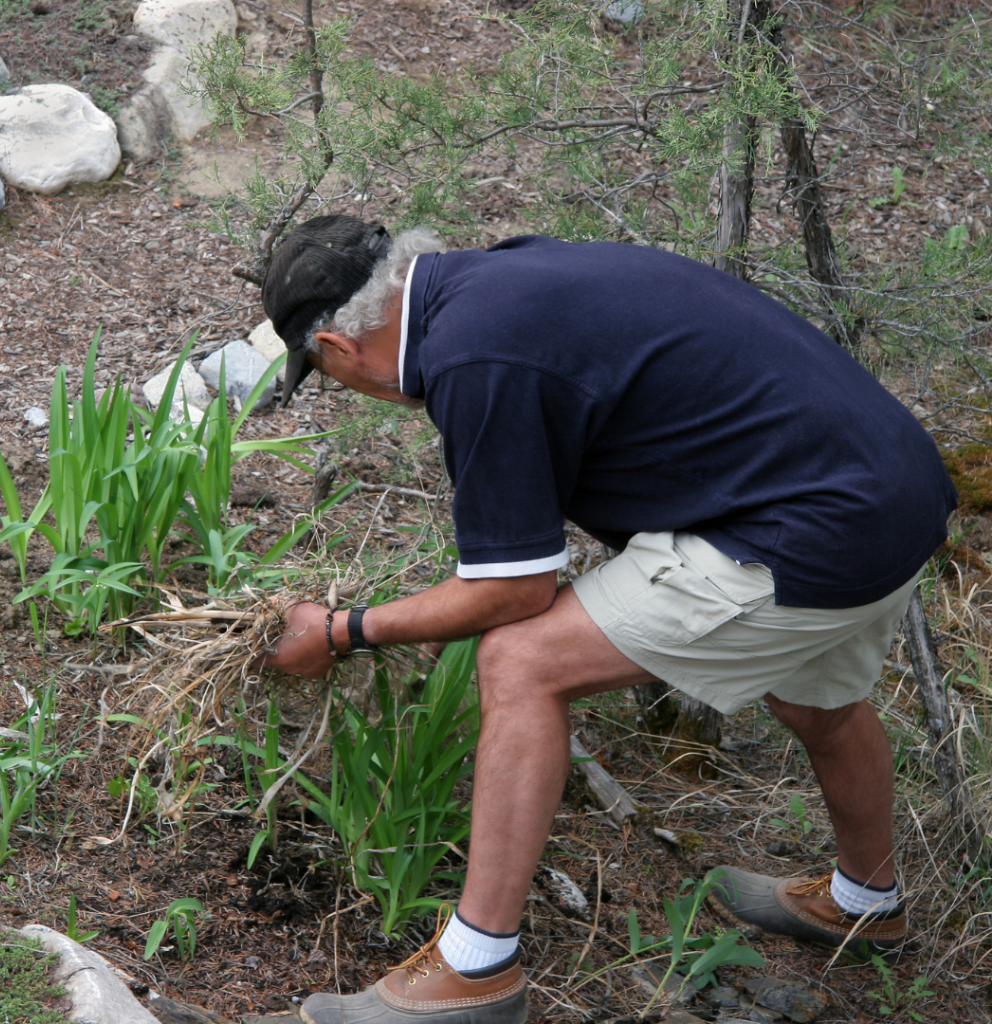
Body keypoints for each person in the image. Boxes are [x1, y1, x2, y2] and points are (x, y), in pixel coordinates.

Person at [259, 215, 956, 1024]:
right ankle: (867, 901)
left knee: (521, 660)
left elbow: (513, 592)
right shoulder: (502, 276)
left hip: (810, 527)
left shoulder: (475, 357)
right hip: (888, 489)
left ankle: (474, 971)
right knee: (813, 699)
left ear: (339, 350)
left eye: (322, 372)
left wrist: (343, 629)